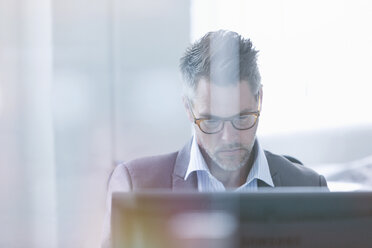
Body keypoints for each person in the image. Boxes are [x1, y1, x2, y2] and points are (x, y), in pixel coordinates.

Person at [101, 30, 328, 247]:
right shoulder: (137, 185)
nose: (229, 137)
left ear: (259, 99)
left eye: (242, 118)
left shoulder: (308, 186)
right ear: (189, 109)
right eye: (211, 122)